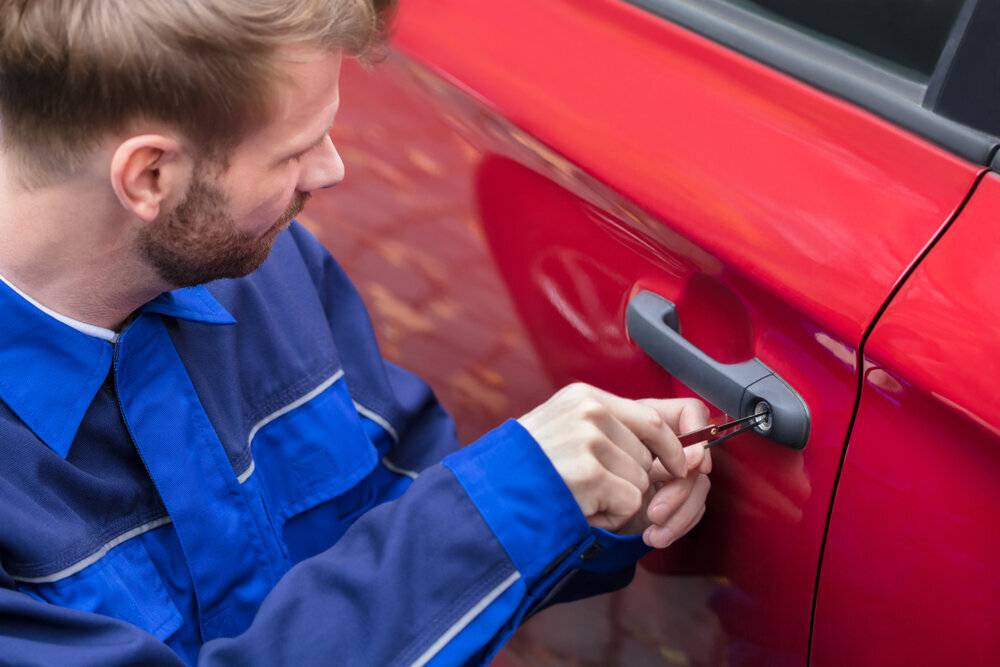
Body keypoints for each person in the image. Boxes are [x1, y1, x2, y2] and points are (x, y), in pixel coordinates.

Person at [0, 1, 712, 664]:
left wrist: (580, 492)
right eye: (294, 152)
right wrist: (513, 494)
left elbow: (412, 504)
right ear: (149, 174)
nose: (332, 170)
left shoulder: (270, 277)